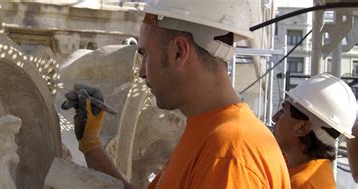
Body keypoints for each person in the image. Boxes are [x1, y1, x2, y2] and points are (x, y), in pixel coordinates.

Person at [62, 0, 290, 188]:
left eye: (146, 55)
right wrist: (92, 146)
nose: (141, 72)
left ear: (179, 51)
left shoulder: (229, 155)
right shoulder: (211, 133)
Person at [272, 73, 357, 189]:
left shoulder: (300, 184)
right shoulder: (314, 173)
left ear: (302, 128)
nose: (275, 117)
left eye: (283, 111)